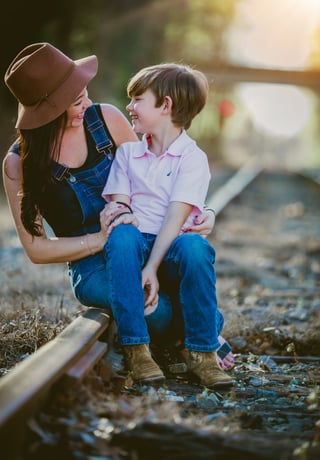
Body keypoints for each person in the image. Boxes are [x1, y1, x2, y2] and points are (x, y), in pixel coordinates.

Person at [2, 42, 221, 386]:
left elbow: (157, 178)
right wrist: (98, 238)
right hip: (91, 264)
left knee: (190, 260)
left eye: (85, 94)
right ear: (50, 112)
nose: (87, 104)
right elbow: (36, 249)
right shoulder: (19, 165)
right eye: (76, 102)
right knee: (158, 311)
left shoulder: (105, 119)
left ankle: (203, 343)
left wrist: (203, 211)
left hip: (142, 241)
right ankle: (192, 335)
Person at [101, 63, 233, 388]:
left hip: (171, 247)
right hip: (134, 243)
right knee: (121, 236)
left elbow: (176, 218)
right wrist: (118, 214)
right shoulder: (128, 153)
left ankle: (203, 353)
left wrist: (151, 267)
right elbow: (121, 206)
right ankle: (136, 350)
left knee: (196, 247)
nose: (129, 107)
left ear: (166, 105)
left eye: (137, 99)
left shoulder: (192, 157)